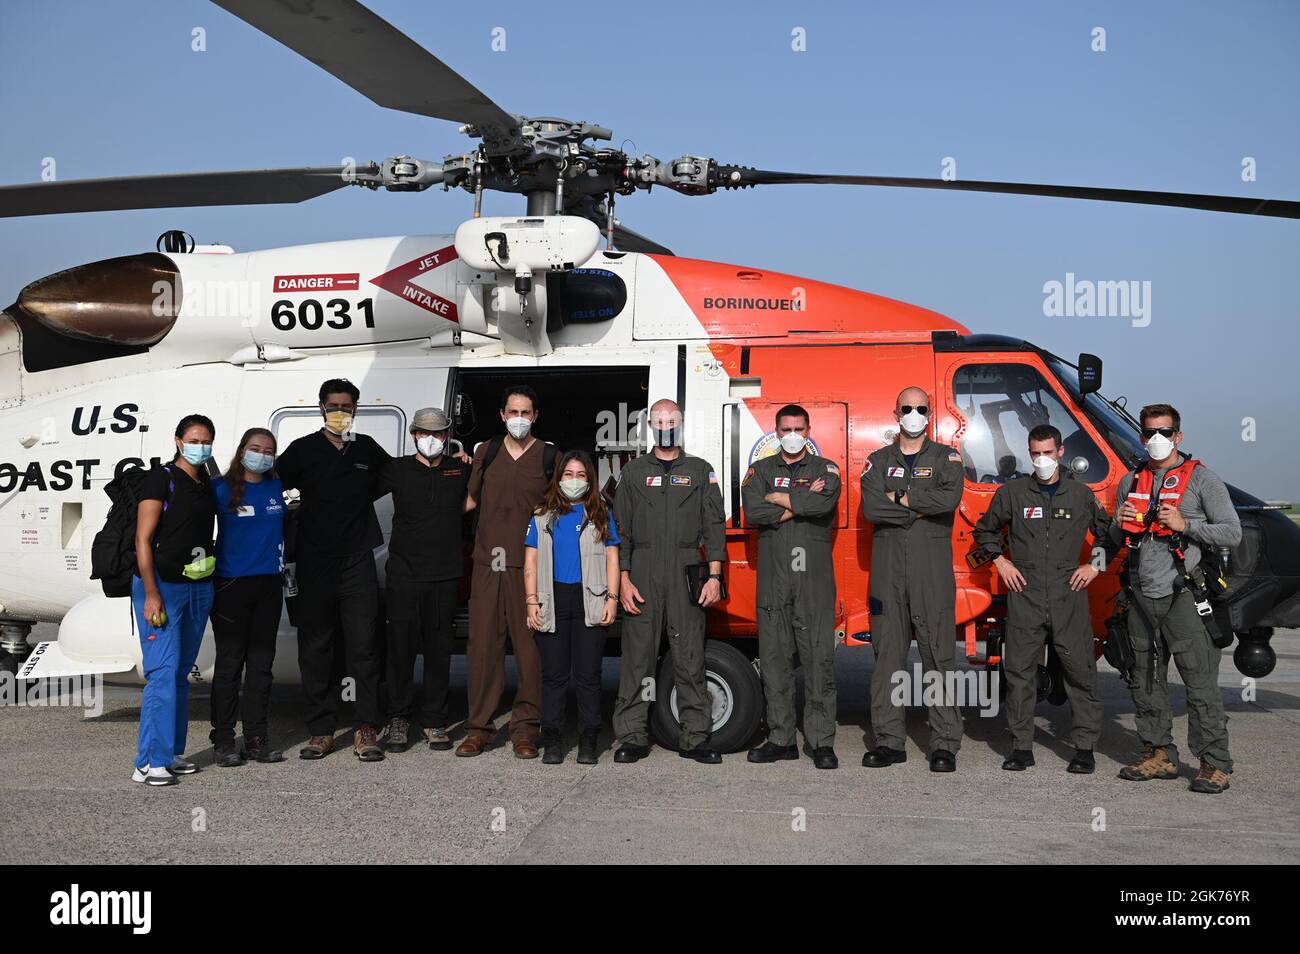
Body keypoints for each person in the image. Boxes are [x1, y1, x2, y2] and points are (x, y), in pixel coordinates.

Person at [1109, 404, 1241, 793]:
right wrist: (1118, 523)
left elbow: (1232, 532)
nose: (1156, 439)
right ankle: (1158, 753)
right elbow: (1116, 540)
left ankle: (1214, 763)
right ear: (1141, 437)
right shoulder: (1130, 481)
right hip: (1140, 596)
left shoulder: (1202, 480)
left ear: (1178, 436)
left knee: (1199, 683)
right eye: (1148, 432)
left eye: (1163, 431)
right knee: (1145, 681)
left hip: (1184, 594)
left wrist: (1187, 525)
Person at [973, 424, 1114, 774]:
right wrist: (1001, 562)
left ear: (1061, 453)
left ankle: (1084, 749)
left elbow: (1109, 535)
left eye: (1048, 453)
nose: (1042, 460)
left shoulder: (1080, 495)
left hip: (1069, 594)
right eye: (1035, 453)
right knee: (1019, 673)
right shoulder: (1013, 493)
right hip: (1025, 594)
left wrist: (1094, 567)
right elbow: (984, 531)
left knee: (1080, 671)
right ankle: (1021, 747)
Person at [276, 379, 391, 762]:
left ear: (356, 408)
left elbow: (397, 477)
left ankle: (365, 728)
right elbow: (270, 488)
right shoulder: (301, 451)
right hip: (313, 563)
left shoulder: (367, 450)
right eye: (333, 405)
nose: (340, 412)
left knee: (364, 648)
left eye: (347, 405)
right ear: (321, 408)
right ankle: (321, 730)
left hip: (358, 560)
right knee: (316, 648)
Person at [612, 399, 727, 764]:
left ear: (682, 423)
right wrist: (623, 581)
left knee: (689, 657)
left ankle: (696, 737)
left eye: (671, 420)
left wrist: (714, 576)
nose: (665, 426)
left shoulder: (699, 470)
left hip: (686, 568)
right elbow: (621, 532)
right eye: (659, 420)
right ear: (649, 424)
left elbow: (714, 527)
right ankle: (632, 736)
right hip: (642, 570)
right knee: (637, 660)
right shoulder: (632, 473)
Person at [860, 386, 965, 772]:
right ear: (896, 411)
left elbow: (948, 501)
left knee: (938, 656)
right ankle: (889, 742)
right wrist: (918, 504)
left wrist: (899, 499)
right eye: (908, 407)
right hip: (888, 572)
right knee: (887, 657)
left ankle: (944, 744)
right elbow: (872, 507)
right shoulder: (877, 460)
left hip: (930, 572)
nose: (914, 414)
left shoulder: (946, 458)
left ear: (930, 412)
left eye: (922, 408)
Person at [456, 385, 558, 759]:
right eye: (512, 412)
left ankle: (526, 731)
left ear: (535, 416)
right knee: (483, 648)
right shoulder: (487, 451)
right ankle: (478, 729)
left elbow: (561, 508)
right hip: (487, 564)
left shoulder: (549, 456)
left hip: (529, 567)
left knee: (531, 651)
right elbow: (468, 500)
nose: (518, 418)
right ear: (502, 415)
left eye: (525, 412)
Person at [742, 404, 842, 769]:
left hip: (813, 581)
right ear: (776, 430)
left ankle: (821, 742)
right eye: (786, 428)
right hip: (773, 580)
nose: (793, 433)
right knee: (774, 661)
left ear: (809, 428)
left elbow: (825, 503)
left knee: (819, 660)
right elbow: (753, 511)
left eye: (799, 427)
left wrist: (780, 499)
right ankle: (781, 738)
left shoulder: (825, 469)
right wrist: (801, 502)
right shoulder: (760, 470)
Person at [130, 414, 218, 786]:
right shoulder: (161, 479)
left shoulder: (206, 483)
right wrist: (151, 594)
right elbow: (142, 540)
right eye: (194, 440)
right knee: (162, 674)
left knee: (181, 674)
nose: (201, 446)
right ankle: (148, 762)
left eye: (207, 440)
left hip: (197, 585)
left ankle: (172, 751)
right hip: (162, 587)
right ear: (179, 441)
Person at [380, 407, 473, 753]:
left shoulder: (458, 468)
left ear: (447, 436)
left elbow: (476, 496)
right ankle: (398, 719)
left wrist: (467, 459)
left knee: (439, 652)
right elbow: (354, 494)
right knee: (400, 651)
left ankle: (435, 721)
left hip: (445, 575)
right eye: (424, 433)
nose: (430, 439)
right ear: (413, 434)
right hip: (404, 575)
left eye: (437, 434)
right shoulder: (397, 469)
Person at [524, 450, 620, 765]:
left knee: (588, 675)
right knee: (553, 675)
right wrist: (531, 601)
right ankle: (552, 739)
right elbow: (531, 561)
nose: (574, 481)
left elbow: (612, 558)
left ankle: (589, 740)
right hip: (551, 599)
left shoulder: (601, 513)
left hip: (589, 599)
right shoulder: (542, 514)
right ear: (559, 478)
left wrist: (612, 599)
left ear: (589, 480)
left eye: (581, 475)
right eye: (568, 474)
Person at [210, 428, 287, 767]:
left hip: (269, 585)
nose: (262, 454)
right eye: (255, 448)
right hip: (230, 586)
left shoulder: (278, 487)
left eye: (268, 450)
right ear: (241, 451)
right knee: (229, 664)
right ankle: (224, 739)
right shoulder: (219, 489)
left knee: (261, 666)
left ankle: (256, 738)